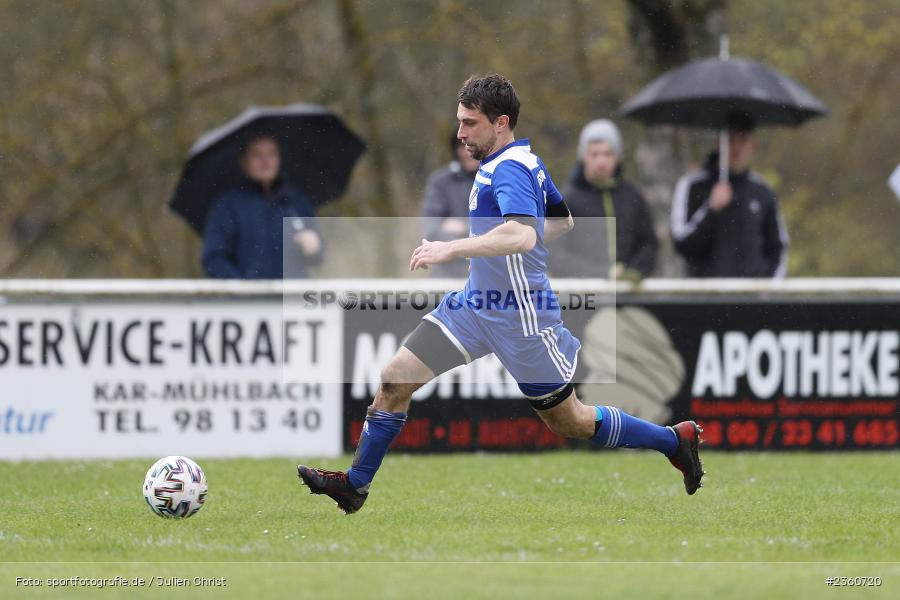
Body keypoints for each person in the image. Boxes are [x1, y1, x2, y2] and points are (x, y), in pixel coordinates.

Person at [297, 74, 704, 514]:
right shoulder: (522, 160)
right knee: (396, 378)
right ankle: (355, 485)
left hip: (520, 319)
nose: (460, 133)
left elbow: (523, 235)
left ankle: (673, 440)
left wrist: (452, 247)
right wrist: (500, 253)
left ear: (500, 122)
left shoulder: (508, 168)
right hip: (475, 306)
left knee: (571, 421)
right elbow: (562, 221)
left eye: (470, 123)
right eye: (460, 121)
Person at [671, 114, 789, 278]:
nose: (737, 148)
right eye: (731, 140)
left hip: (752, 299)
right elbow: (682, 244)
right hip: (705, 298)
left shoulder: (763, 192)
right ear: (720, 143)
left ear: (752, 146)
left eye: (743, 140)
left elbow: (778, 249)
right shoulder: (692, 186)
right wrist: (711, 209)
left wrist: (769, 289)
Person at [548, 119, 658, 280]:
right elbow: (555, 255)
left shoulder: (632, 196)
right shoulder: (565, 199)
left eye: (607, 153)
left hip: (628, 296)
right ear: (584, 156)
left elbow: (648, 243)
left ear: (617, 157)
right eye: (595, 154)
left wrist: (635, 271)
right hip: (583, 299)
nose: (601, 161)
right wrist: (602, 274)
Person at [202, 134, 324, 279]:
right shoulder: (227, 205)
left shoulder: (297, 201)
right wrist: (242, 288)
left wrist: (315, 248)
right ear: (243, 161)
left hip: (294, 297)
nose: (266, 161)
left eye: (272, 154)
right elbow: (214, 258)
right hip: (249, 300)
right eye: (257, 155)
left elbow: (318, 258)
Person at [420, 134, 480, 277]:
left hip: (487, 272)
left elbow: (505, 230)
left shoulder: (497, 179)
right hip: (447, 274)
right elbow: (430, 231)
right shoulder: (440, 181)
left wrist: (464, 227)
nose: (467, 152)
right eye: (462, 147)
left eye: (473, 146)